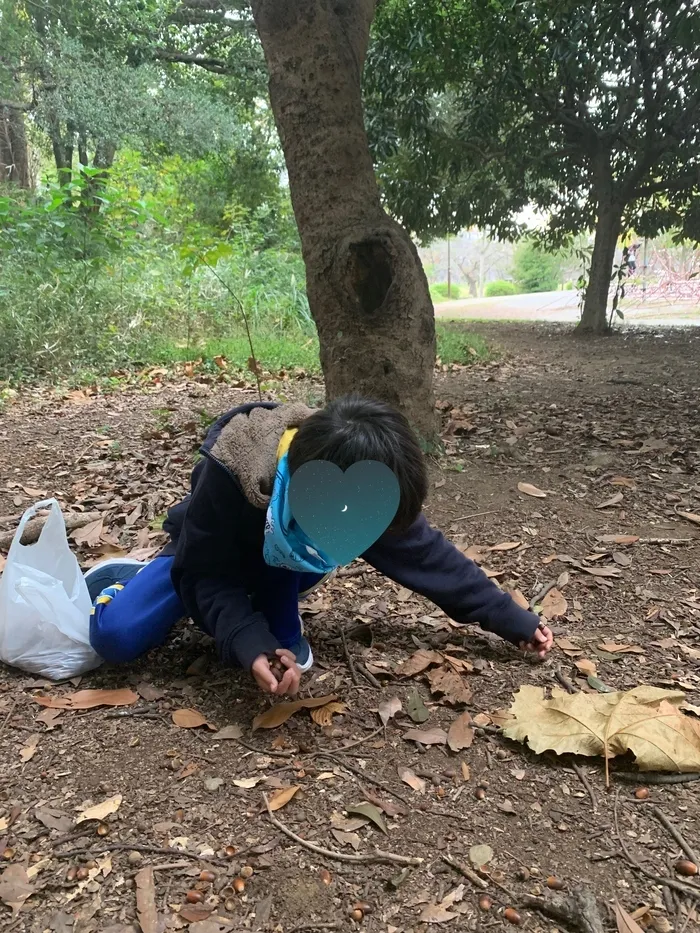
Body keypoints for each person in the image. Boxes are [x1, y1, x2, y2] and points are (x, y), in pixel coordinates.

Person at [85, 395, 553, 695]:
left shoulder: (362, 485)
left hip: (285, 564)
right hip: (213, 556)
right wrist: (247, 640)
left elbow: (426, 555)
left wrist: (510, 618)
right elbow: (206, 572)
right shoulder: (235, 469)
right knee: (117, 637)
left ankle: (271, 592)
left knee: (290, 648)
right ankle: (127, 579)